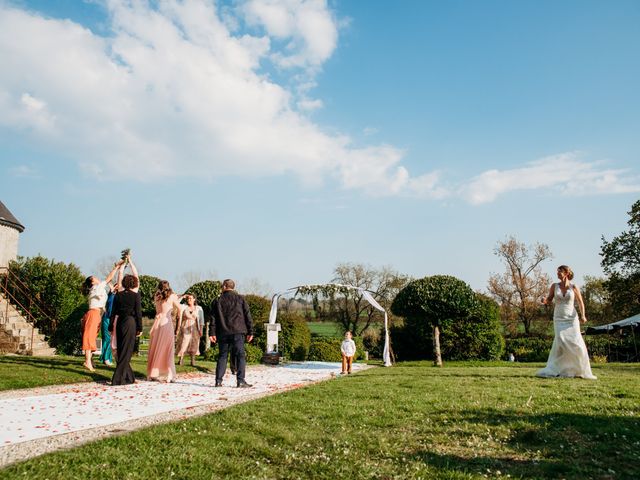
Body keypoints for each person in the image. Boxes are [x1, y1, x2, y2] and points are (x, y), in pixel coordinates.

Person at [537, 265, 597, 380]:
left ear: (566, 273)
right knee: (561, 341)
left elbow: (580, 302)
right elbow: (549, 300)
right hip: (559, 318)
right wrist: (544, 301)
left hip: (572, 318)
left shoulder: (574, 287)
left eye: (560, 272)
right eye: (557, 272)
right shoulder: (554, 286)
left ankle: (579, 369)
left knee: (576, 342)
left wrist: (583, 315)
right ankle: (559, 369)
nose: (557, 274)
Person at [209, 279, 254, 388]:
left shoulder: (217, 300)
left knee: (222, 356)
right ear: (233, 287)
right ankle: (240, 380)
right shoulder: (240, 299)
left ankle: (218, 381)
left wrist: (212, 333)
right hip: (238, 331)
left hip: (223, 331)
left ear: (224, 286)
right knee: (240, 355)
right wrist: (250, 331)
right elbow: (247, 316)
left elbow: (213, 318)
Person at [81, 261, 123, 371]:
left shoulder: (98, 289)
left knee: (92, 338)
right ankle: (87, 362)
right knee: (89, 337)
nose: (97, 278)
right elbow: (109, 278)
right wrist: (116, 268)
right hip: (93, 314)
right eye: (94, 278)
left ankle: (89, 360)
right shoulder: (96, 288)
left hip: (97, 314)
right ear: (92, 282)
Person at [109, 274, 142, 385]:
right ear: (134, 284)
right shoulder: (136, 296)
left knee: (122, 350)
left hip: (119, 323)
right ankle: (117, 379)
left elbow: (113, 312)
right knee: (126, 351)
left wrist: (110, 325)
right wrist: (140, 328)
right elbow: (138, 313)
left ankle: (129, 378)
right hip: (130, 322)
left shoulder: (118, 295)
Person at [147, 280, 181, 382]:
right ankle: (169, 374)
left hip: (157, 322)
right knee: (168, 348)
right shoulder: (172, 296)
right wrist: (177, 319)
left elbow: (158, 310)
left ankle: (153, 373)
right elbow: (180, 308)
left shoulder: (156, 296)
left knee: (155, 347)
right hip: (166, 322)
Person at [176, 294, 201, 366]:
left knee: (194, 344)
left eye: (190, 298)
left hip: (195, 328)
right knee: (184, 343)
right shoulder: (184, 307)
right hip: (185, 328)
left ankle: (192, 361)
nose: (189, 300)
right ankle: (181, 359)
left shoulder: (199, 308)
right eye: (188, 298)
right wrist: (182, 297)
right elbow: (177, 303)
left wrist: (201, 330)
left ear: (194, 299)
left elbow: (201, 320)